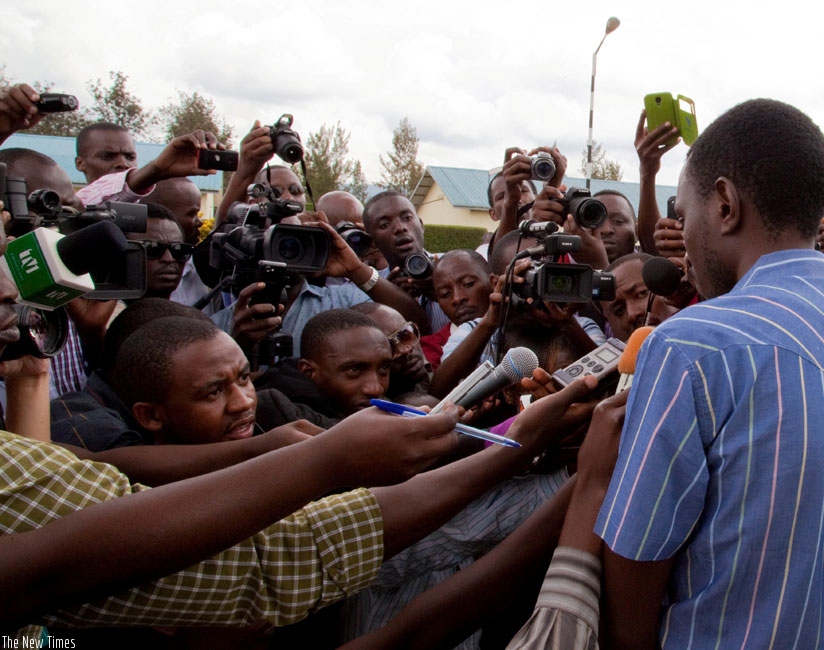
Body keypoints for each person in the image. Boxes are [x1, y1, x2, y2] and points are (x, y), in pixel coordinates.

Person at [595, 98, 824, 649]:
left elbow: (637, 553)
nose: (682, 232)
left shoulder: (691, 345)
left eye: (682, 208)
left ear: (724, 204)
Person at [361, 191, 448, 333]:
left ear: (421, 225)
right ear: (372, 241)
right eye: (384, 225)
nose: (400, 228)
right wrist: (390, 299)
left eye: (407, 217)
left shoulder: (459, 269)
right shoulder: (368, 290)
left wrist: (444, 292)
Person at [296, 308, 393, 418]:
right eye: (355, 370)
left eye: (384, 368)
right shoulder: (283, 419)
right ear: (308, 372)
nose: (376, 389)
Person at [126, 204, 191, 300]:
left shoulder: (192, 314)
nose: (169, 259)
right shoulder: (100, 313)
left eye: (178, 249)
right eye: (152, 248)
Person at [592, 190, 638, 263]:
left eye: (618, 221)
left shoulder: (652, 271)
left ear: (636, 232)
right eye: (595, 220)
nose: (606, 230)